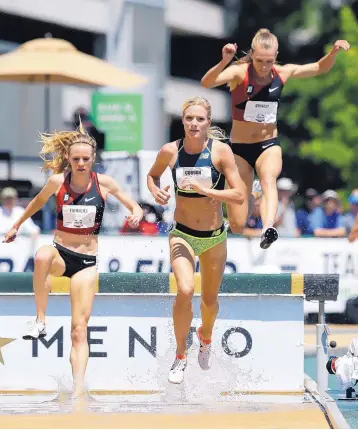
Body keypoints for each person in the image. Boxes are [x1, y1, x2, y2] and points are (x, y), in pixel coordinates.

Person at [3, 124, 143, 398]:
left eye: (86, 159)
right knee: (42, 254)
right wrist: (16, 225)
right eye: (76, 159)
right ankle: (40, 320)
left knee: (79, 330)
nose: (80, 164)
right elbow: (36, 202)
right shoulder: (58, 182)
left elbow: (133, 204)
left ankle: (78, 388)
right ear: (68, 158)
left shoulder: (104, 183)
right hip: (60, 254)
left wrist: (136, 213)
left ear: (93, 159)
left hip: (87, 262)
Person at [201, 28, 350, 249]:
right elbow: (207, 82)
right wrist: (224, 61)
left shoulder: (282, 72)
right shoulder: (240, 73)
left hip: (268, 144)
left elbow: (319, 68)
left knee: (269, 178)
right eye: (260, 60)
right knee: (237, 224)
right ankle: (253, 194)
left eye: (269, 61)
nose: (264, 66)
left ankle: (268, 227)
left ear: (276, 55)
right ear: (251, 54)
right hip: (240, 149)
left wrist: (333, 53)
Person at [147, 96, 244, 384]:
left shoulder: (220, 153)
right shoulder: (170, 151)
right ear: (183, 121)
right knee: (185, 290)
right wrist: (155, 191)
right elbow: (152, 176)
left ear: (208, 123)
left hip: (214, 237)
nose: (193, 123)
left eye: (200, 119)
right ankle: (180, 355)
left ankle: (206, 336)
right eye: (189, 118)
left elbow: (239, 194)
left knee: (210, 301)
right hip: (182, 235)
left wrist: (208, 191)